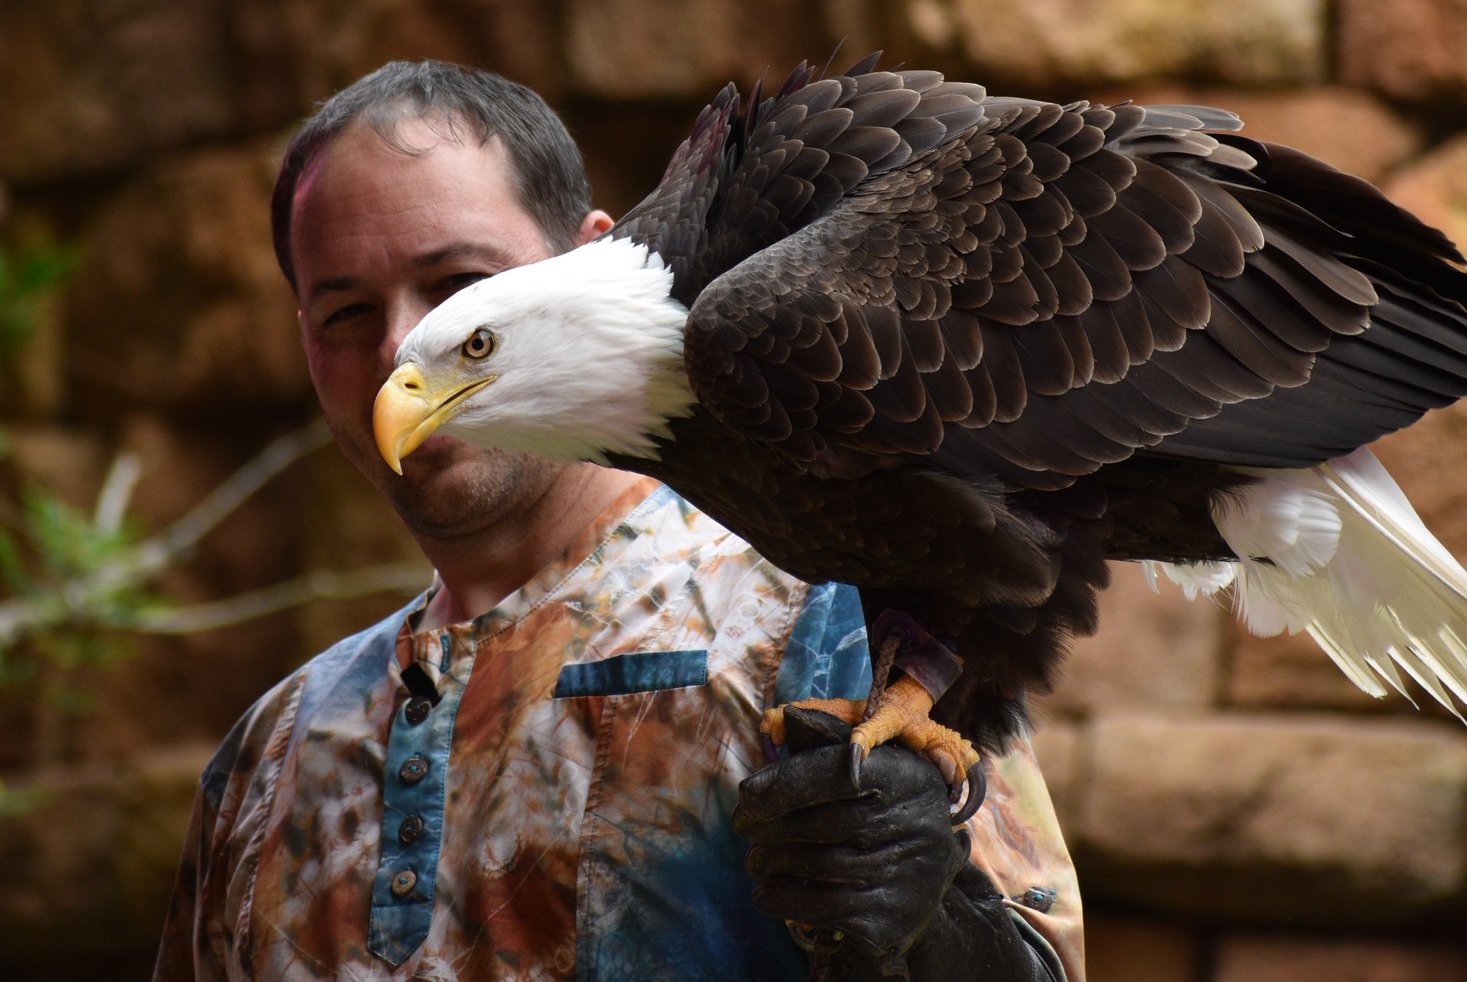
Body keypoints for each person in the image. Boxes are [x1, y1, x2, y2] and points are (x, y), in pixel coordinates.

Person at [152, 61, 1083, 981]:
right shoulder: (265, 759)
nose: (399, 349)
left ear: (592, 257)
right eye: (346, 311)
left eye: (460, 288)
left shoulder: (838, 614)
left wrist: (944, 938)